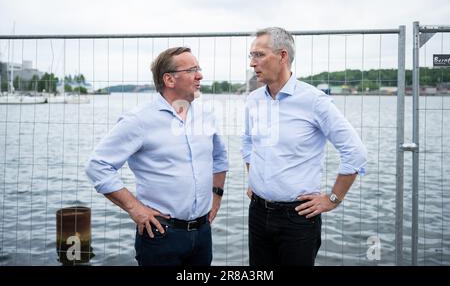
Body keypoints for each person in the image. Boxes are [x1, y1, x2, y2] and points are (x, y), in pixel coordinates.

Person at [85, 47, 228, 266]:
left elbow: (219, 157)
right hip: (160, 236)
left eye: (198, 68)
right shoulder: (139, 120)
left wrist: (216, 196)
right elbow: (98, 166)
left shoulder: (206, 115)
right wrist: (135, 209)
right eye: (192, 70)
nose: (200, 75)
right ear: (169, 79)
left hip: (202, 234)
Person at [241, 27, 367, 266]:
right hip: (257, 212)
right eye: (251, 56)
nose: (252, 63)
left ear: (282, 55)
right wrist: (254, 178)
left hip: (298, 217)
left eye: (258, 55)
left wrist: (333, 199)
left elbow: (355, 152)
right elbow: (247, 142)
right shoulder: (253, 100)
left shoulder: (314, 101)